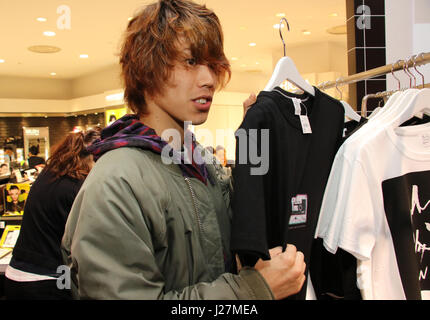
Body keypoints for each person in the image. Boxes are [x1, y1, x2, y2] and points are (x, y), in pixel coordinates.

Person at [61, 0, 306, 300]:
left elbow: (239, 229)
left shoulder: (201, 162)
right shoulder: (116, 183)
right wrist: (253, 291)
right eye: (190, 62)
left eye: (213, 65)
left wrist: (254, 137)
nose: (209, 80)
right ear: (147, 69)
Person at [4, 128, 101, 300]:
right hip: (46, 281)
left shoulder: (49, 175)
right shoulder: (77, 186)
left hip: (15, 275)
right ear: (91, 158)